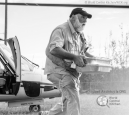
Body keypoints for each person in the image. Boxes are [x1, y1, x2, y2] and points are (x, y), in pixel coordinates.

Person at [39, 8, 93, 115]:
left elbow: (83, 53)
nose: (85, 21)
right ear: (73, 17)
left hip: (71, 72)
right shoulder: (61, 30)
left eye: (86, 19)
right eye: (82, 17)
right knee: (73, 97)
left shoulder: (80, 35)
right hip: (58, 71)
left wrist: (96, 60)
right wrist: (74, 57)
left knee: (68, 99)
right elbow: (54, 49)